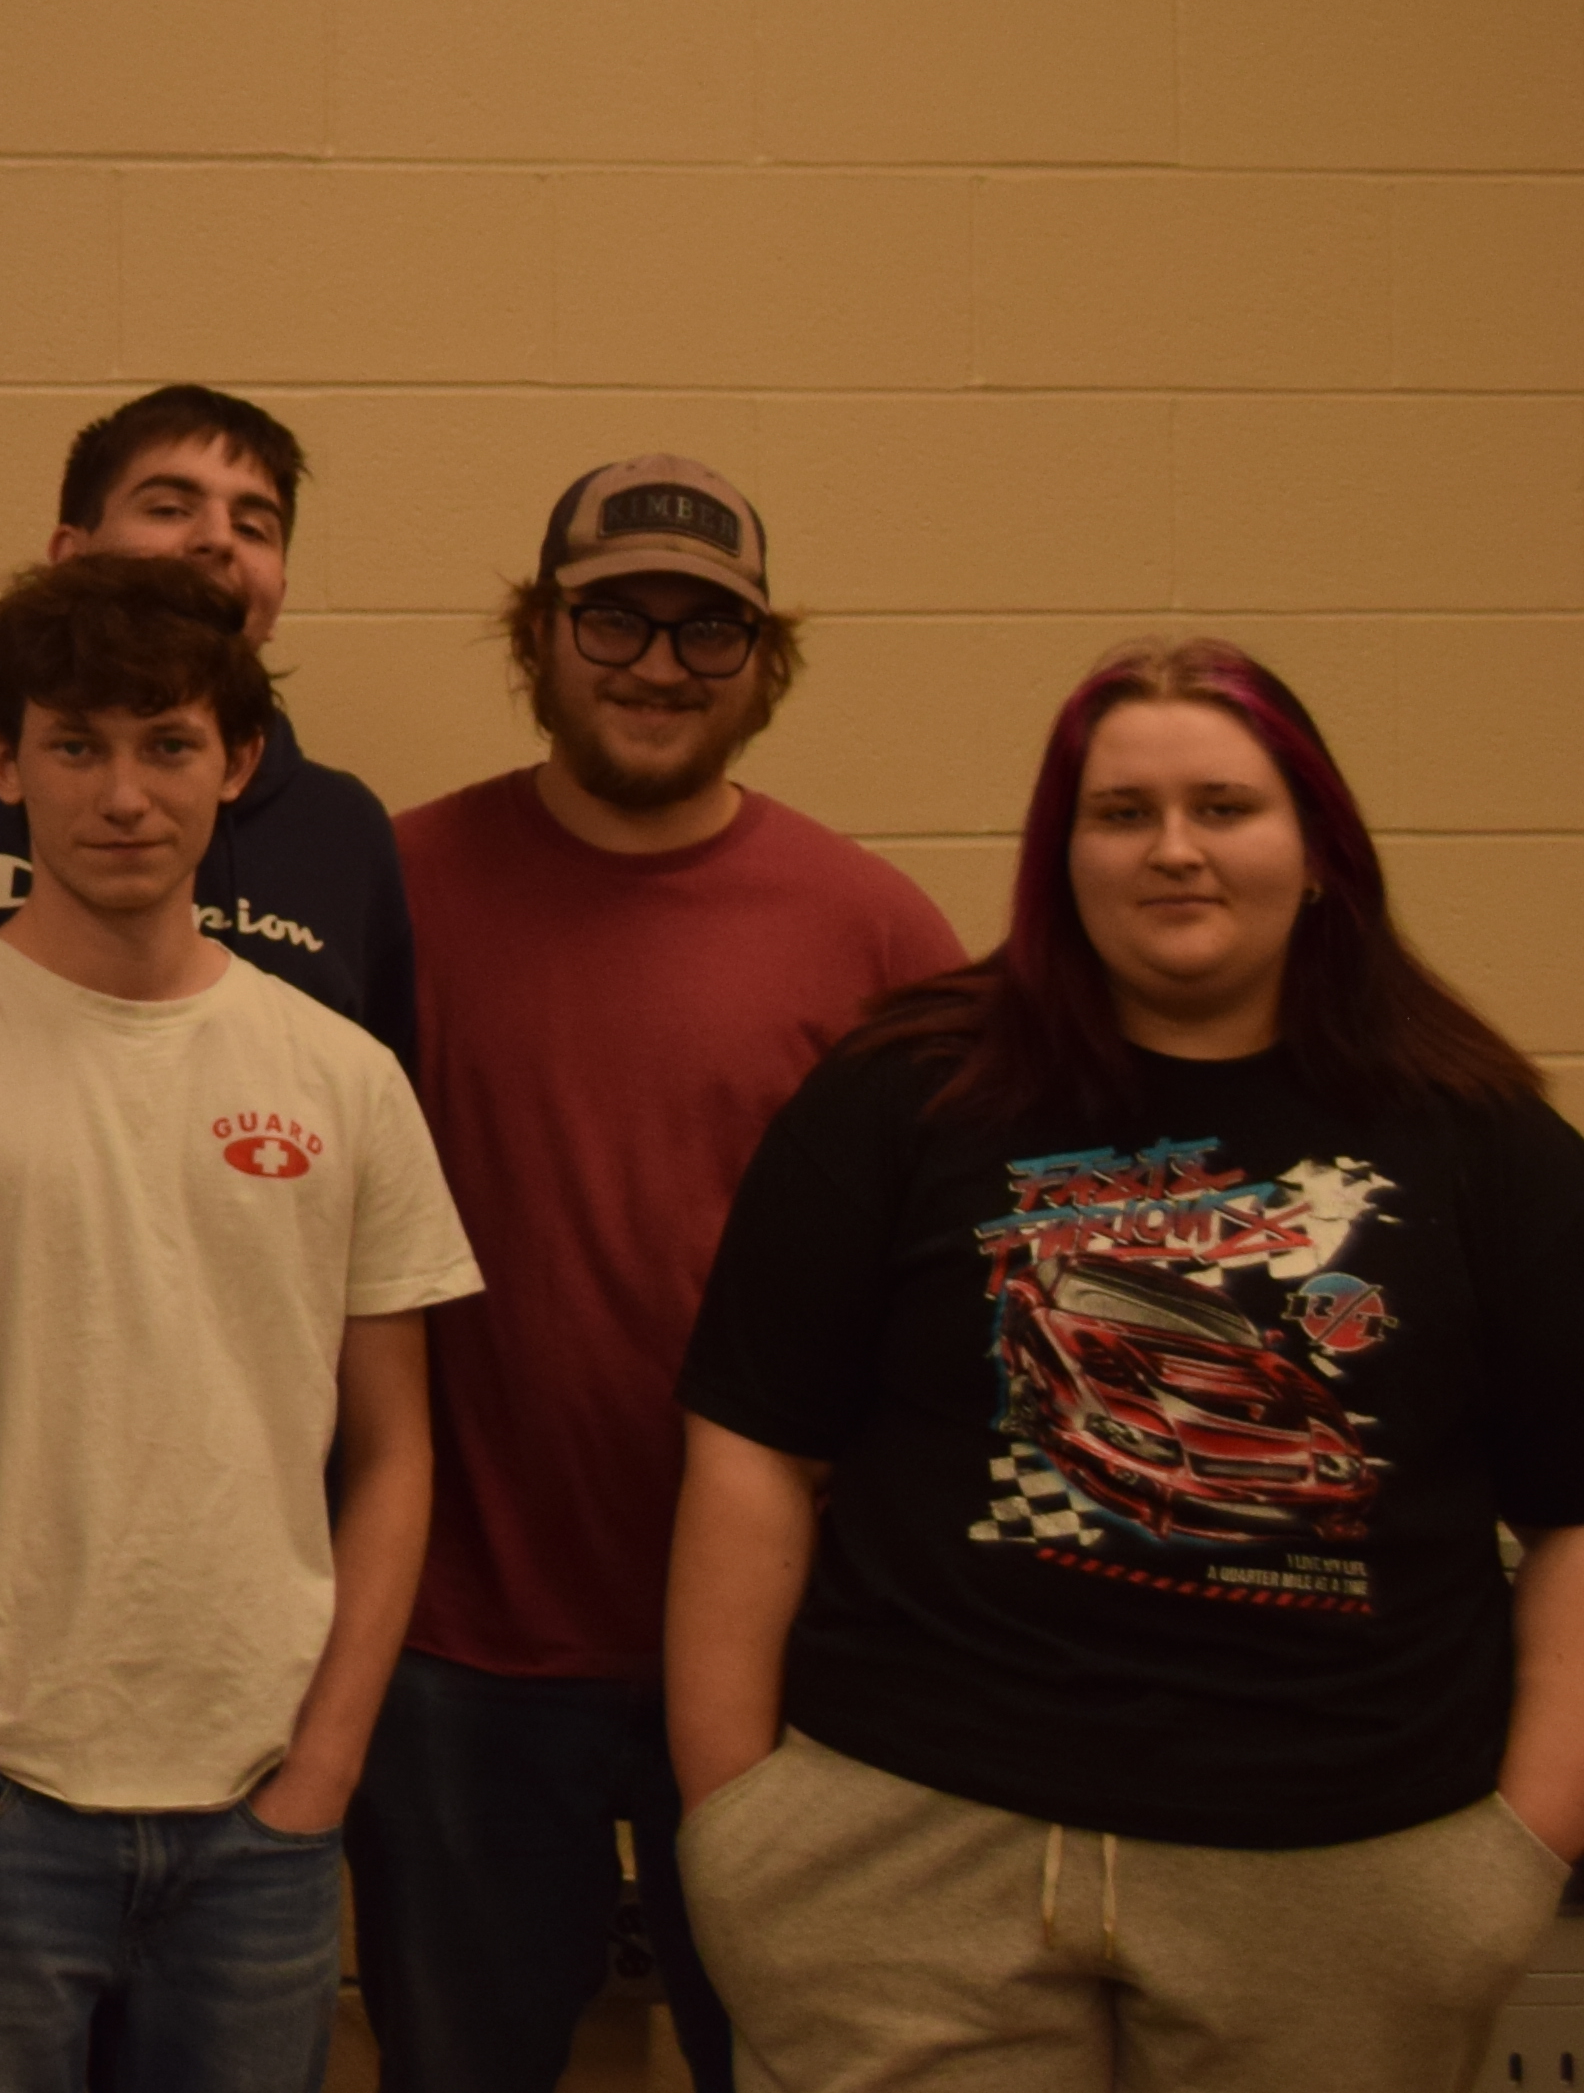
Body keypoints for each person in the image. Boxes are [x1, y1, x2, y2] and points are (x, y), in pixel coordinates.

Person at [666, 639, 1584, 2093]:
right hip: (905, 1855)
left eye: (1225, 807)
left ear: (1320, 850)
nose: (1174, 852)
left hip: (1343, 1871)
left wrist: (1512, 1852)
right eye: (1121, 813)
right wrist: (739, 1823)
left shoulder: (1481, 1139)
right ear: (1061, 857)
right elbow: (752, 1444)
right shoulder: (904, 1093)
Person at [0, 556, 473, 2093]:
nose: (124, 793)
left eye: (168, 744)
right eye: (76, 744)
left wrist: (323, 1772)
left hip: (264, 1813)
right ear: (2, 760)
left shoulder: (342, 1077)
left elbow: (394, 1455)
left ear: (236, 761)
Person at [368, 462, 954, 2093]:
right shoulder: (397, 891)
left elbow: (963, 1315)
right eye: (614, 617)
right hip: (459, 1657)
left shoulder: (878, 937)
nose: (658, 662)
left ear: (767, 667)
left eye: (712, 632)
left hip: (788, 1674)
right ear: (535, 639)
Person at [0, 387, 415, 1052]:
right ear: (70, 553)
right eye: (170, 508)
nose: (218, 540)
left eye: (254, 527)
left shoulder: (341, 827)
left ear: (278, 596)